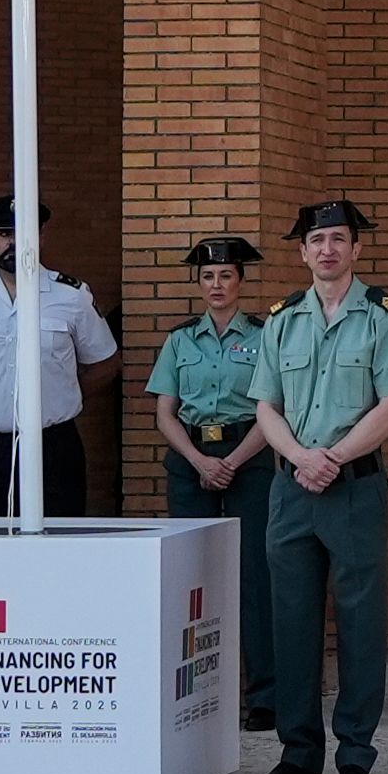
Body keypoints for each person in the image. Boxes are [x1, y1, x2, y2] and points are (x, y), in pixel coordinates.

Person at [251, 197, 388, 774]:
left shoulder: (385, 316)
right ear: (302, 252)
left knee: (359, 625)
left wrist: (332, 459)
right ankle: (298, 756)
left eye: (339, 239)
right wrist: (300, 459)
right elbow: (265, 405)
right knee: (291, 624)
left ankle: (355, 756)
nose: (328, 250)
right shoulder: (281, 319)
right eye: (317, 240)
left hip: (353, 489)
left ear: (356, 249)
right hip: (291, 489)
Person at [151, 233, 282, 739]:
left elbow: (275, 406)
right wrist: (200, 461)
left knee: (255, 576)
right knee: (193, 579)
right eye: (207, 276)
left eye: (226, 275)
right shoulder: (181, 339)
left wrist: (230, 461)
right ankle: (200, 693)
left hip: (248, 456)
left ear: (240, 281)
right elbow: (164, 412)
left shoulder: (264, 334)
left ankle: (265, 696)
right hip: (191, 460)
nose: (216, 284)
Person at [0, 193, 108, 519]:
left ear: (42, 237)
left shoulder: (71, 295)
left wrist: (58, 394)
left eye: (24, 233)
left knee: (60, 546)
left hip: (54, 445)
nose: (14, 243)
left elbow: (104, 363)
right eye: (5, 234)